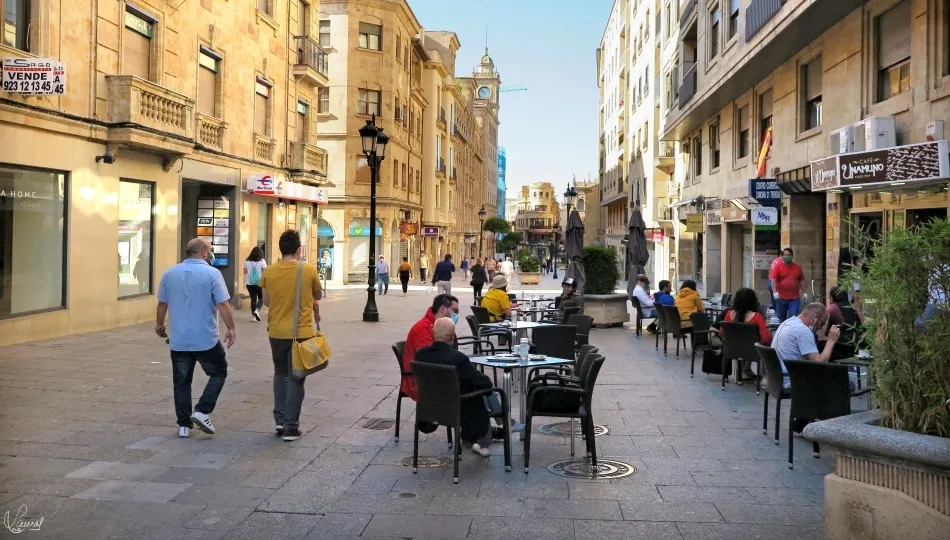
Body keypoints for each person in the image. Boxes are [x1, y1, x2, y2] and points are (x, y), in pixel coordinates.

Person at [155, 238, 235, 439]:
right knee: (219, 372)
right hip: (205, 337)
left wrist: (159, 324)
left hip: (179, 339)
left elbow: (162, 303)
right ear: (204, 253)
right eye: (210, 250)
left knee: (181, 382)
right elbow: (223, 304)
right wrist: (231, 327)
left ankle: (183, 425)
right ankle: (202, 410)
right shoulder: (212, 274)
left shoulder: (169, 273)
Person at [261, 229, 323, 442]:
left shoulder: (268, 271)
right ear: (299, 250)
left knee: (280, 374)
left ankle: (279, 420)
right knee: (296, 379)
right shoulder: (308, 270)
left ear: (281, 249)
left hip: (276, 332)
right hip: (301, 333)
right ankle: (291, 427)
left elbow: (267, 301)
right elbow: (318, 295)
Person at [414, 318, 499, 457]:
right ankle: (493, 432)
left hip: (430, 409)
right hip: (458, 408)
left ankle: (496, 429)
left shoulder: (420, 355)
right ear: (453, 336)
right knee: (483, 391)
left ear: (432, 332)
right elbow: (485, 383)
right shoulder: (458, 358)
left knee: (477, 389)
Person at [402, 294, 461, 402]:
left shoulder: (441, 326)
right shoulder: (423, 328)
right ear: (443, 309)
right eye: (455, 311)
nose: (456, 314)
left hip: (438, 373)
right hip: (421, 379)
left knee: (476, 386)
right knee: (475, 388)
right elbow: (430, 359)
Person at [771, 303, 841, 390]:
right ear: (815, 318)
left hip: (778, 379)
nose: (821, 327)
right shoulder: (803, 331)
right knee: (846, 383)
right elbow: (819, 364)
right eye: (822, 323)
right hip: (793, 380)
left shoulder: (787, 322)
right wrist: (831, 341)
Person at [721, 287, 772, 381]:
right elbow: (765, 338)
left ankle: (743, 372)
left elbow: (722, 332)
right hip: (752, 352)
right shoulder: (757, 317)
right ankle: (766, 376)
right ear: (753, 301)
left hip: (732, 350)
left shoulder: (729, 314)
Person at [826, 286, 863, 359]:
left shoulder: (833, 308)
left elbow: (824, 324)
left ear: (831, 298)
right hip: (857, 341)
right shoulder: (850, 308)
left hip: (844, 343)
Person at [770, 248, 805, 321]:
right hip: (781, 298)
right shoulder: (778, 267)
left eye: (789, 255)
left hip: (794, 298)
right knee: (781, 318)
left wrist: (805, 292)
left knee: (793, 316)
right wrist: (774, 292)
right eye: (785, 255)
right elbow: (773, 280)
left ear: (792, 256)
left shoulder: (797, 267)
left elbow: (801, 280)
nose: (787, 256)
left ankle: (792, 332)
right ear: (782, 256)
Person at [243, 246, 267, 322]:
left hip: (249, 283)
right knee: (261, 298)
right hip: (259, 283)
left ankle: (253, 317)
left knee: (253, 299)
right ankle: (257, 310)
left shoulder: (247, 261)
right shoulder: (262, 261)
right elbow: (265, 272)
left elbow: (245, 272)